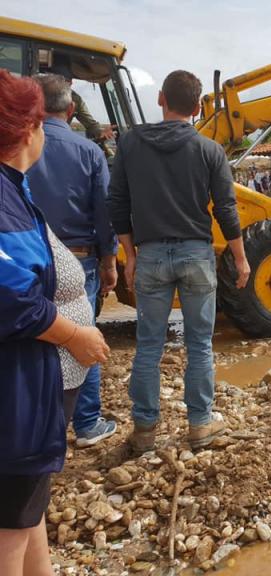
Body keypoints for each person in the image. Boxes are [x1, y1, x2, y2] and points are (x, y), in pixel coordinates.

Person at [0, 69, 110, 576]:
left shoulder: (16, 190)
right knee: (11, 527)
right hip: (18, 390)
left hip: (33, 387)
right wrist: (76, 336)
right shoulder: (6, 203)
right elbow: (12, 299)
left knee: (28, 508)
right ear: (30, 130)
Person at [108, 70, 251, 453]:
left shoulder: (132, 144)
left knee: (149, 345)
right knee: (200, 345)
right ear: (198, 106)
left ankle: (144, 432)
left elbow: (117, 203)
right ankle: (200, 426)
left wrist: (130, 255)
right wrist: (240, 259)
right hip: (196, 255)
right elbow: (226, 209)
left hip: (151, 254)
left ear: (160, 99)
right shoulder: (209, 150)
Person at [27, 73, 119, 448]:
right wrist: (111, 262)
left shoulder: (17, 145)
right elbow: (104, 215)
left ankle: (33, 426)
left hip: (27, 258)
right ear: (71, 109)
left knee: (31, 338)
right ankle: (86, 424)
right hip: (79, 260)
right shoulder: (90, 151)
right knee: (84, 338)